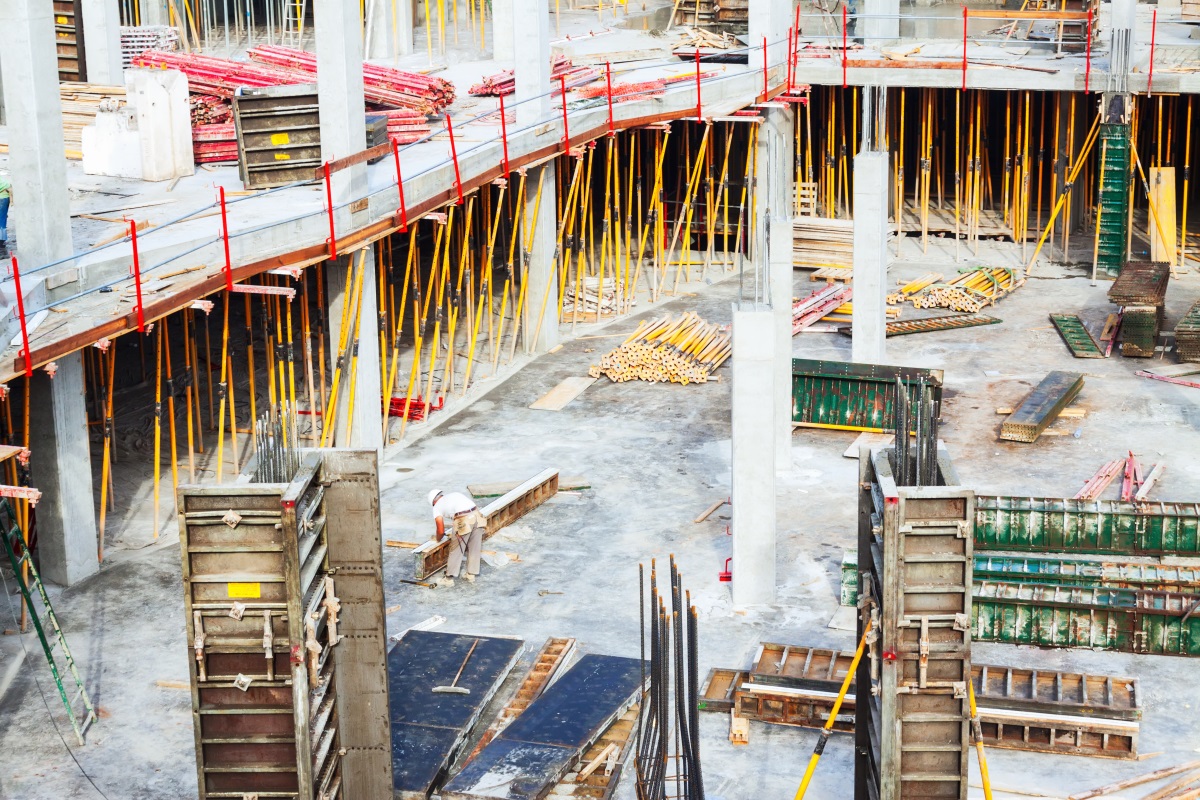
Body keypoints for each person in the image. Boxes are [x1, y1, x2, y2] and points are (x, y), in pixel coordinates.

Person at [427, 489, 485, 588]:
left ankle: (448, 579)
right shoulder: (454, 494)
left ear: (433, 502)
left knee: (456, 549)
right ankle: (471, 575)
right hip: (478, 516)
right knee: (475, 547)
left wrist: (438, 538)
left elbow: (440, 529)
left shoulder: (436, 507)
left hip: (463, 519)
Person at [0, 176, 10, 254]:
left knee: (1, 223)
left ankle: (2, 249)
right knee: (1, 221)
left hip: (2, 198)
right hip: (4, 197)